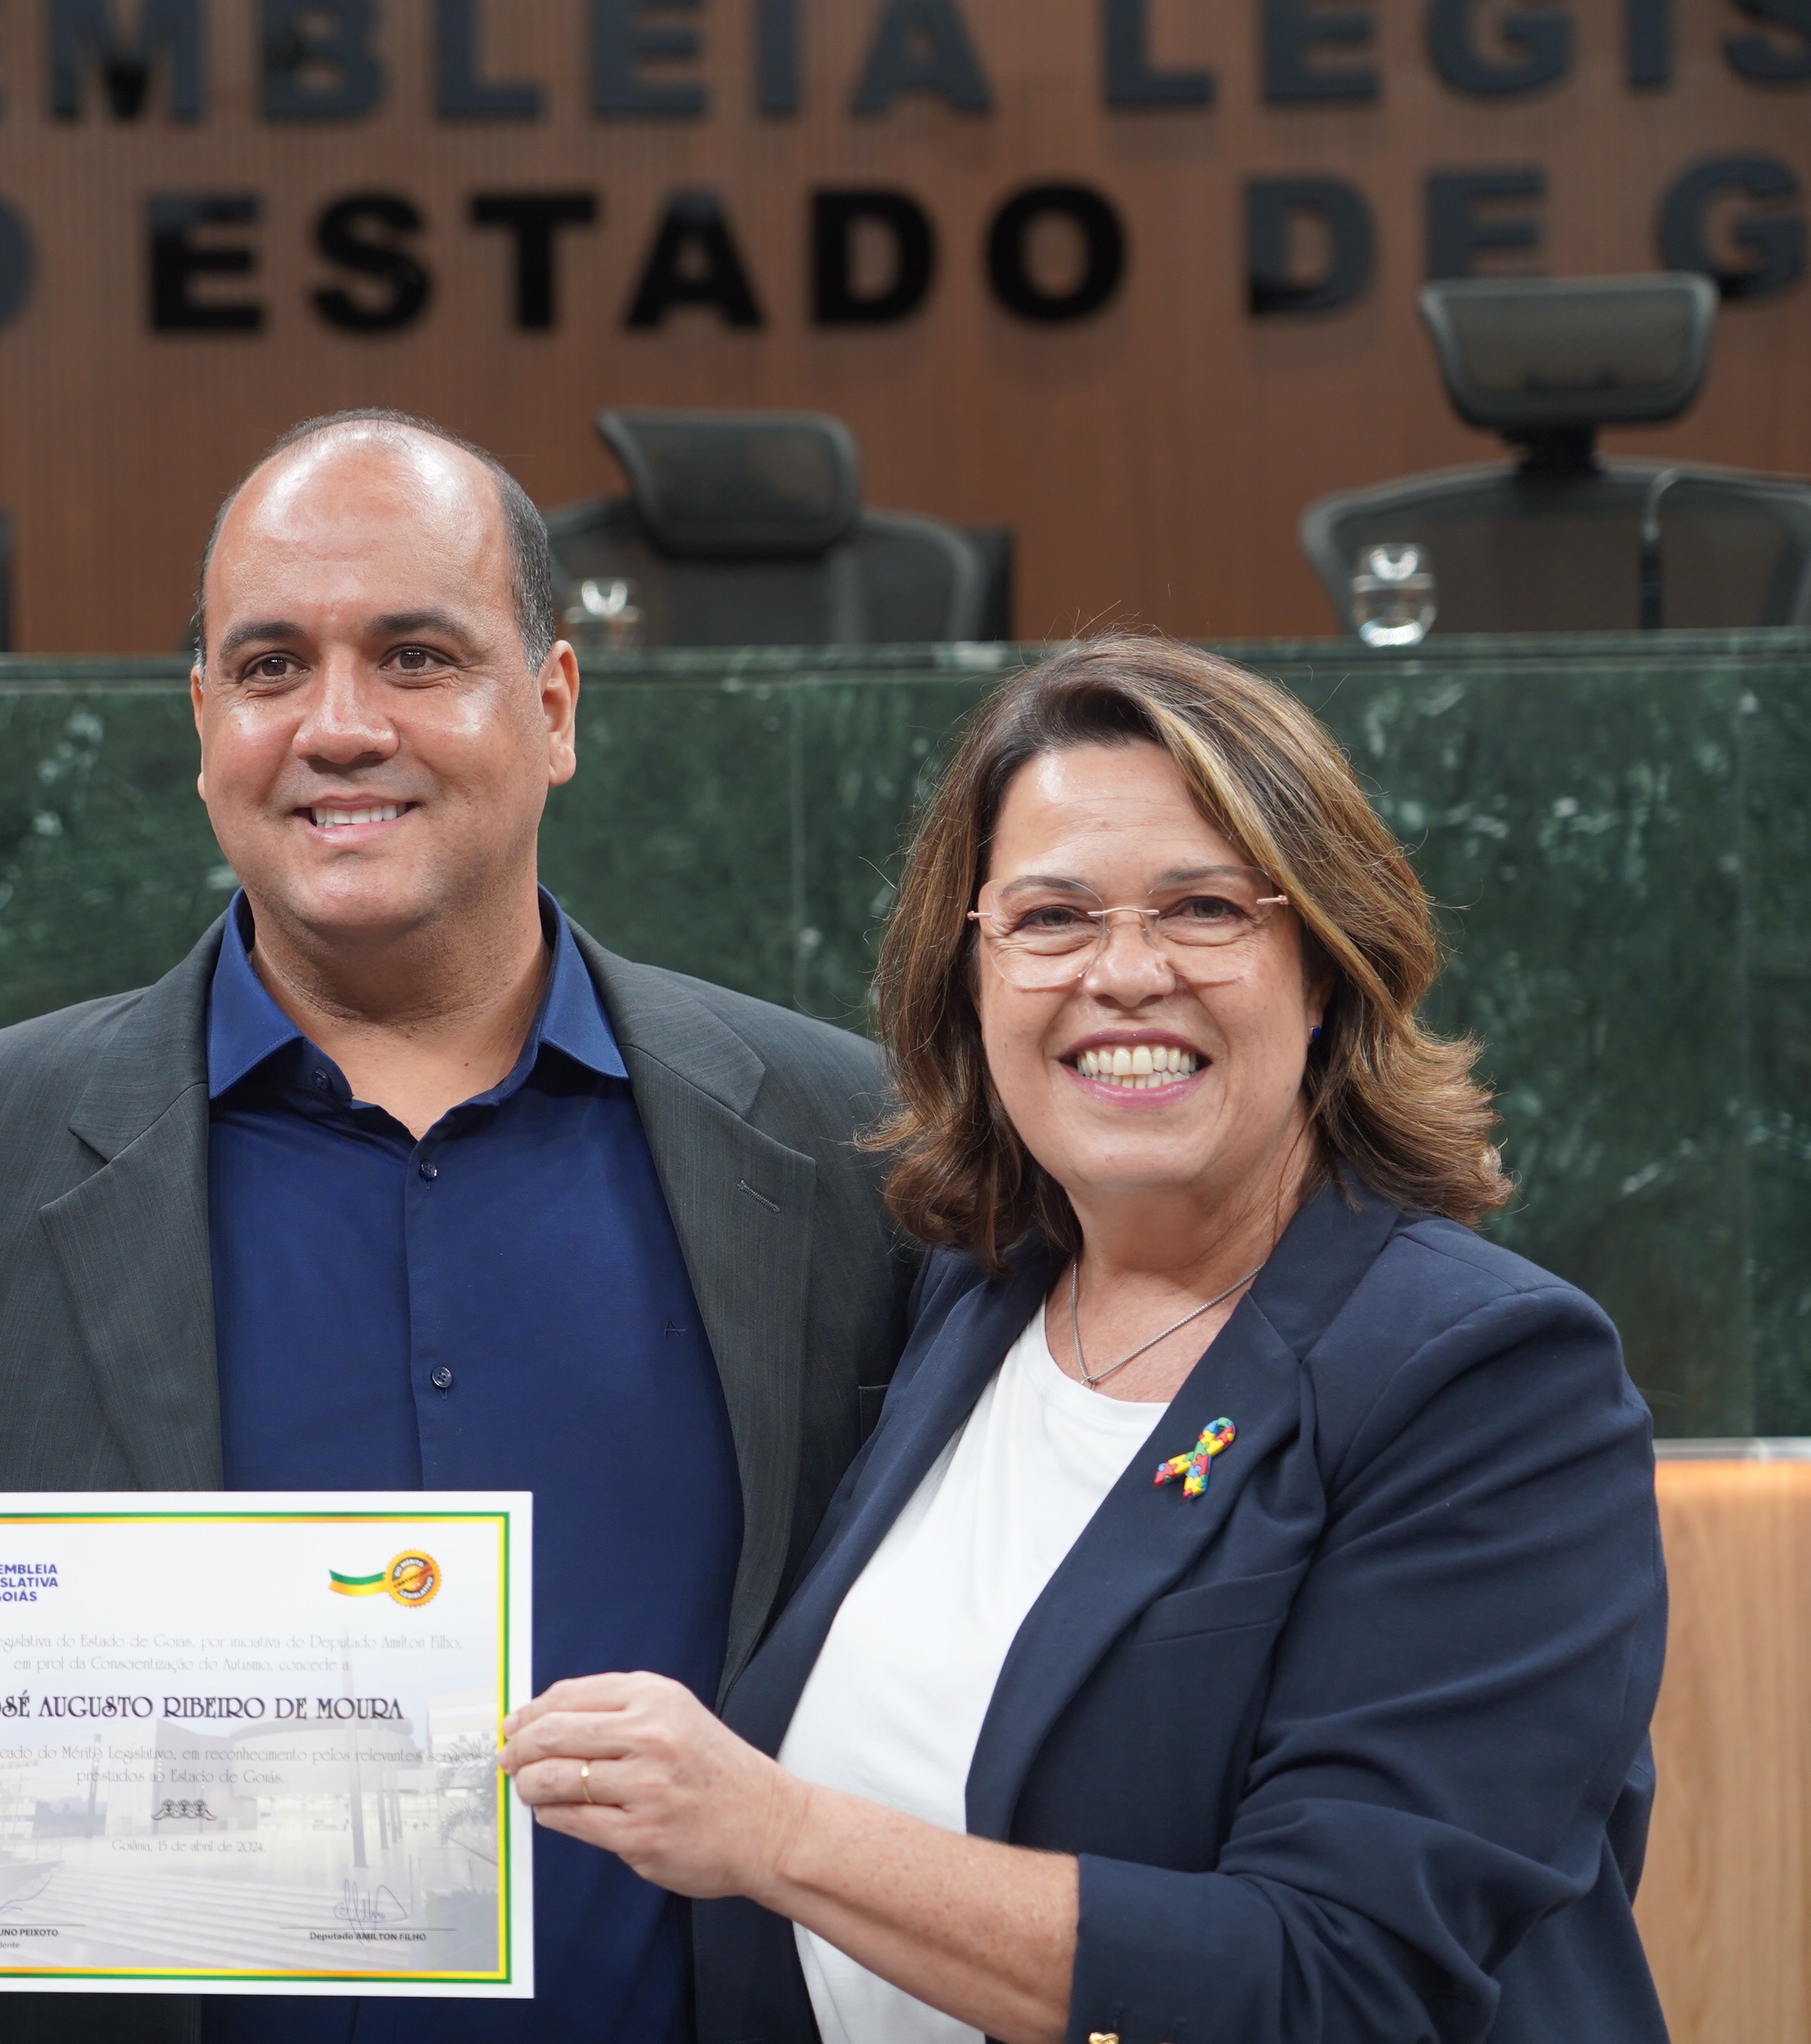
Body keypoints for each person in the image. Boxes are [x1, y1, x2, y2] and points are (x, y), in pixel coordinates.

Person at [0, 410, 914, 2044]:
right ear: (205, 718)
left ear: (555, 705)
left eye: (418, 656)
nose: (339, 726)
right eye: (272, 664)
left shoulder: (851, 1148)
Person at [495, 636, 1668, 2044]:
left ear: (1323, 969)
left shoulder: (1492, 1380)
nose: (1125, 972)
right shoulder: (969, 1297)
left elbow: (1341, 1978)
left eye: (1203, 908)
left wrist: (777, 1833)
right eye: (1051, 917)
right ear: (972, 976)